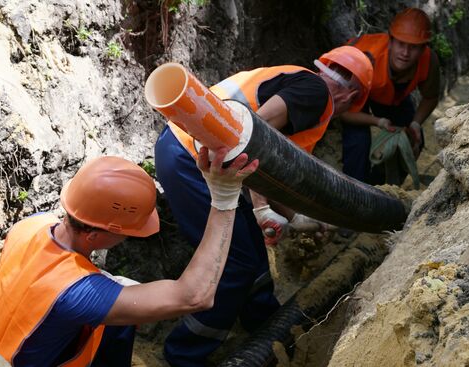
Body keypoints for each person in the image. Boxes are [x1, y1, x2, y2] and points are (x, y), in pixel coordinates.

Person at [154, 45, 373, 366]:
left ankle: (264, 321)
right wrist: (262, 210)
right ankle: (183, 355)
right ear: (350, 97)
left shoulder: (301, 84)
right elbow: (251, 138)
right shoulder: (315, 93)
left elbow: (268, 166)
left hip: (191, 151)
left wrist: (297, 216)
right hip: (194, 160)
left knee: (251, 248)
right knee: (234, 261)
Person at [0, 147, 258, 367]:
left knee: (121, 295)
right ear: (94, 236)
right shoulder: (78, 295)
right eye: (130, 232)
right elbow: (194, 296)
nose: (132, 236)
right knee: (120, 300)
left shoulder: (30, 225)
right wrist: (224, 198)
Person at [341, 7, 440, 184]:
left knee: (413, 138)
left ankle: (384, 187)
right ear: (390, 41)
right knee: (358, 142)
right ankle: (353, 188)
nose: (405, 53)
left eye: (414, 47)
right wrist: (377, 121)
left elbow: (431, 97)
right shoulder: (365, 58)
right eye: (401, 44)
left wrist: (416, 123)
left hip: (392, 96)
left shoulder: (429, 60)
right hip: (356, 91)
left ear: (424, 48)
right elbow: (344, 112)